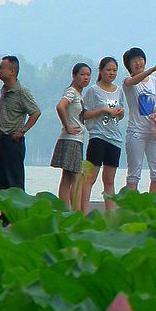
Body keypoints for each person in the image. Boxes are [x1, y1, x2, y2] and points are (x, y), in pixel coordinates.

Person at [81, 56, 125, 211]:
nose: (111, 73)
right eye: (108, 70)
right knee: (90, 177)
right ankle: (83, 212)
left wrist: (120, 112)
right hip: (98, 136)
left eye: (114, 70)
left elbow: (121, 114)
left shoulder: (118, 90)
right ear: (100, 71)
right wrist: (103, 110)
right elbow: (84, 114)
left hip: (115, 138)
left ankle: (110, 214)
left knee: (109, 180)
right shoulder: (93, 90)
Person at [122, 47, 156, 193]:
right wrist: (153, 69)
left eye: (140, 59)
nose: (138, 63)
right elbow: (133, 81)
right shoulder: (128, 81)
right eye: (134, 61)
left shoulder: (153, 81)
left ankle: (152, 207)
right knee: (134, 175)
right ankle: (132, 209)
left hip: (154, 131)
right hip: (136, 132)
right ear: (128, 65)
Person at [0, 55, 41, 191]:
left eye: (2, 68)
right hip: (1, 139)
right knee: (1, 180)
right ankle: (4, 212)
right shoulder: (4, 89)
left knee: (14, 180)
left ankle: (16, 211)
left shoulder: (21, 91)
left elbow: (35, 112)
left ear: (12, 71)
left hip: (12, 141)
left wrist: (23, 130)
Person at [51, 63, 90, 210]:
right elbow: (60, 106)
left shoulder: (79, 94)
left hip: (74, 139)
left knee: (67, 177)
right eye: (82, 74)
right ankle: (76, 212)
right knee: (76, 176)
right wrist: (67, 125)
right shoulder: (72, 92)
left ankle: (64, 211)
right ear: (74, 76)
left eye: (88, 75)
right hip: (72, 139)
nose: (86, 77)